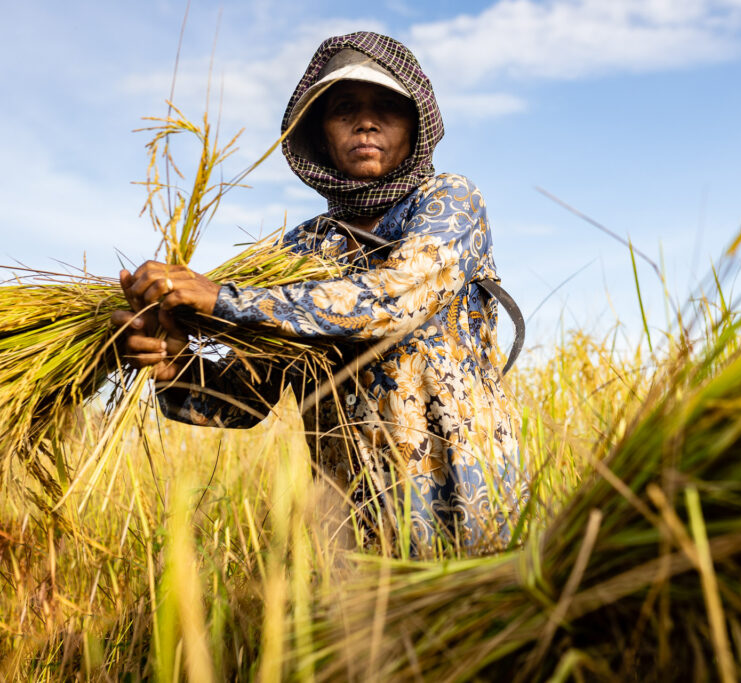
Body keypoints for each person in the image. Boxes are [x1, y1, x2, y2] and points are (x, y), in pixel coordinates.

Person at [110, 32, 523, 557]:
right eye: (344, 109)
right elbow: (245, 399)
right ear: (320, 133)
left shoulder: (449, 201)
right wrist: (172, 365)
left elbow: (393, 301)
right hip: (350, 516)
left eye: (387, 109)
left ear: (416, 125)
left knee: (477, 630)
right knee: (366, 640)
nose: (365, 123)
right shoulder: (297, 250)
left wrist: (226, 301)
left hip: (460, 488)